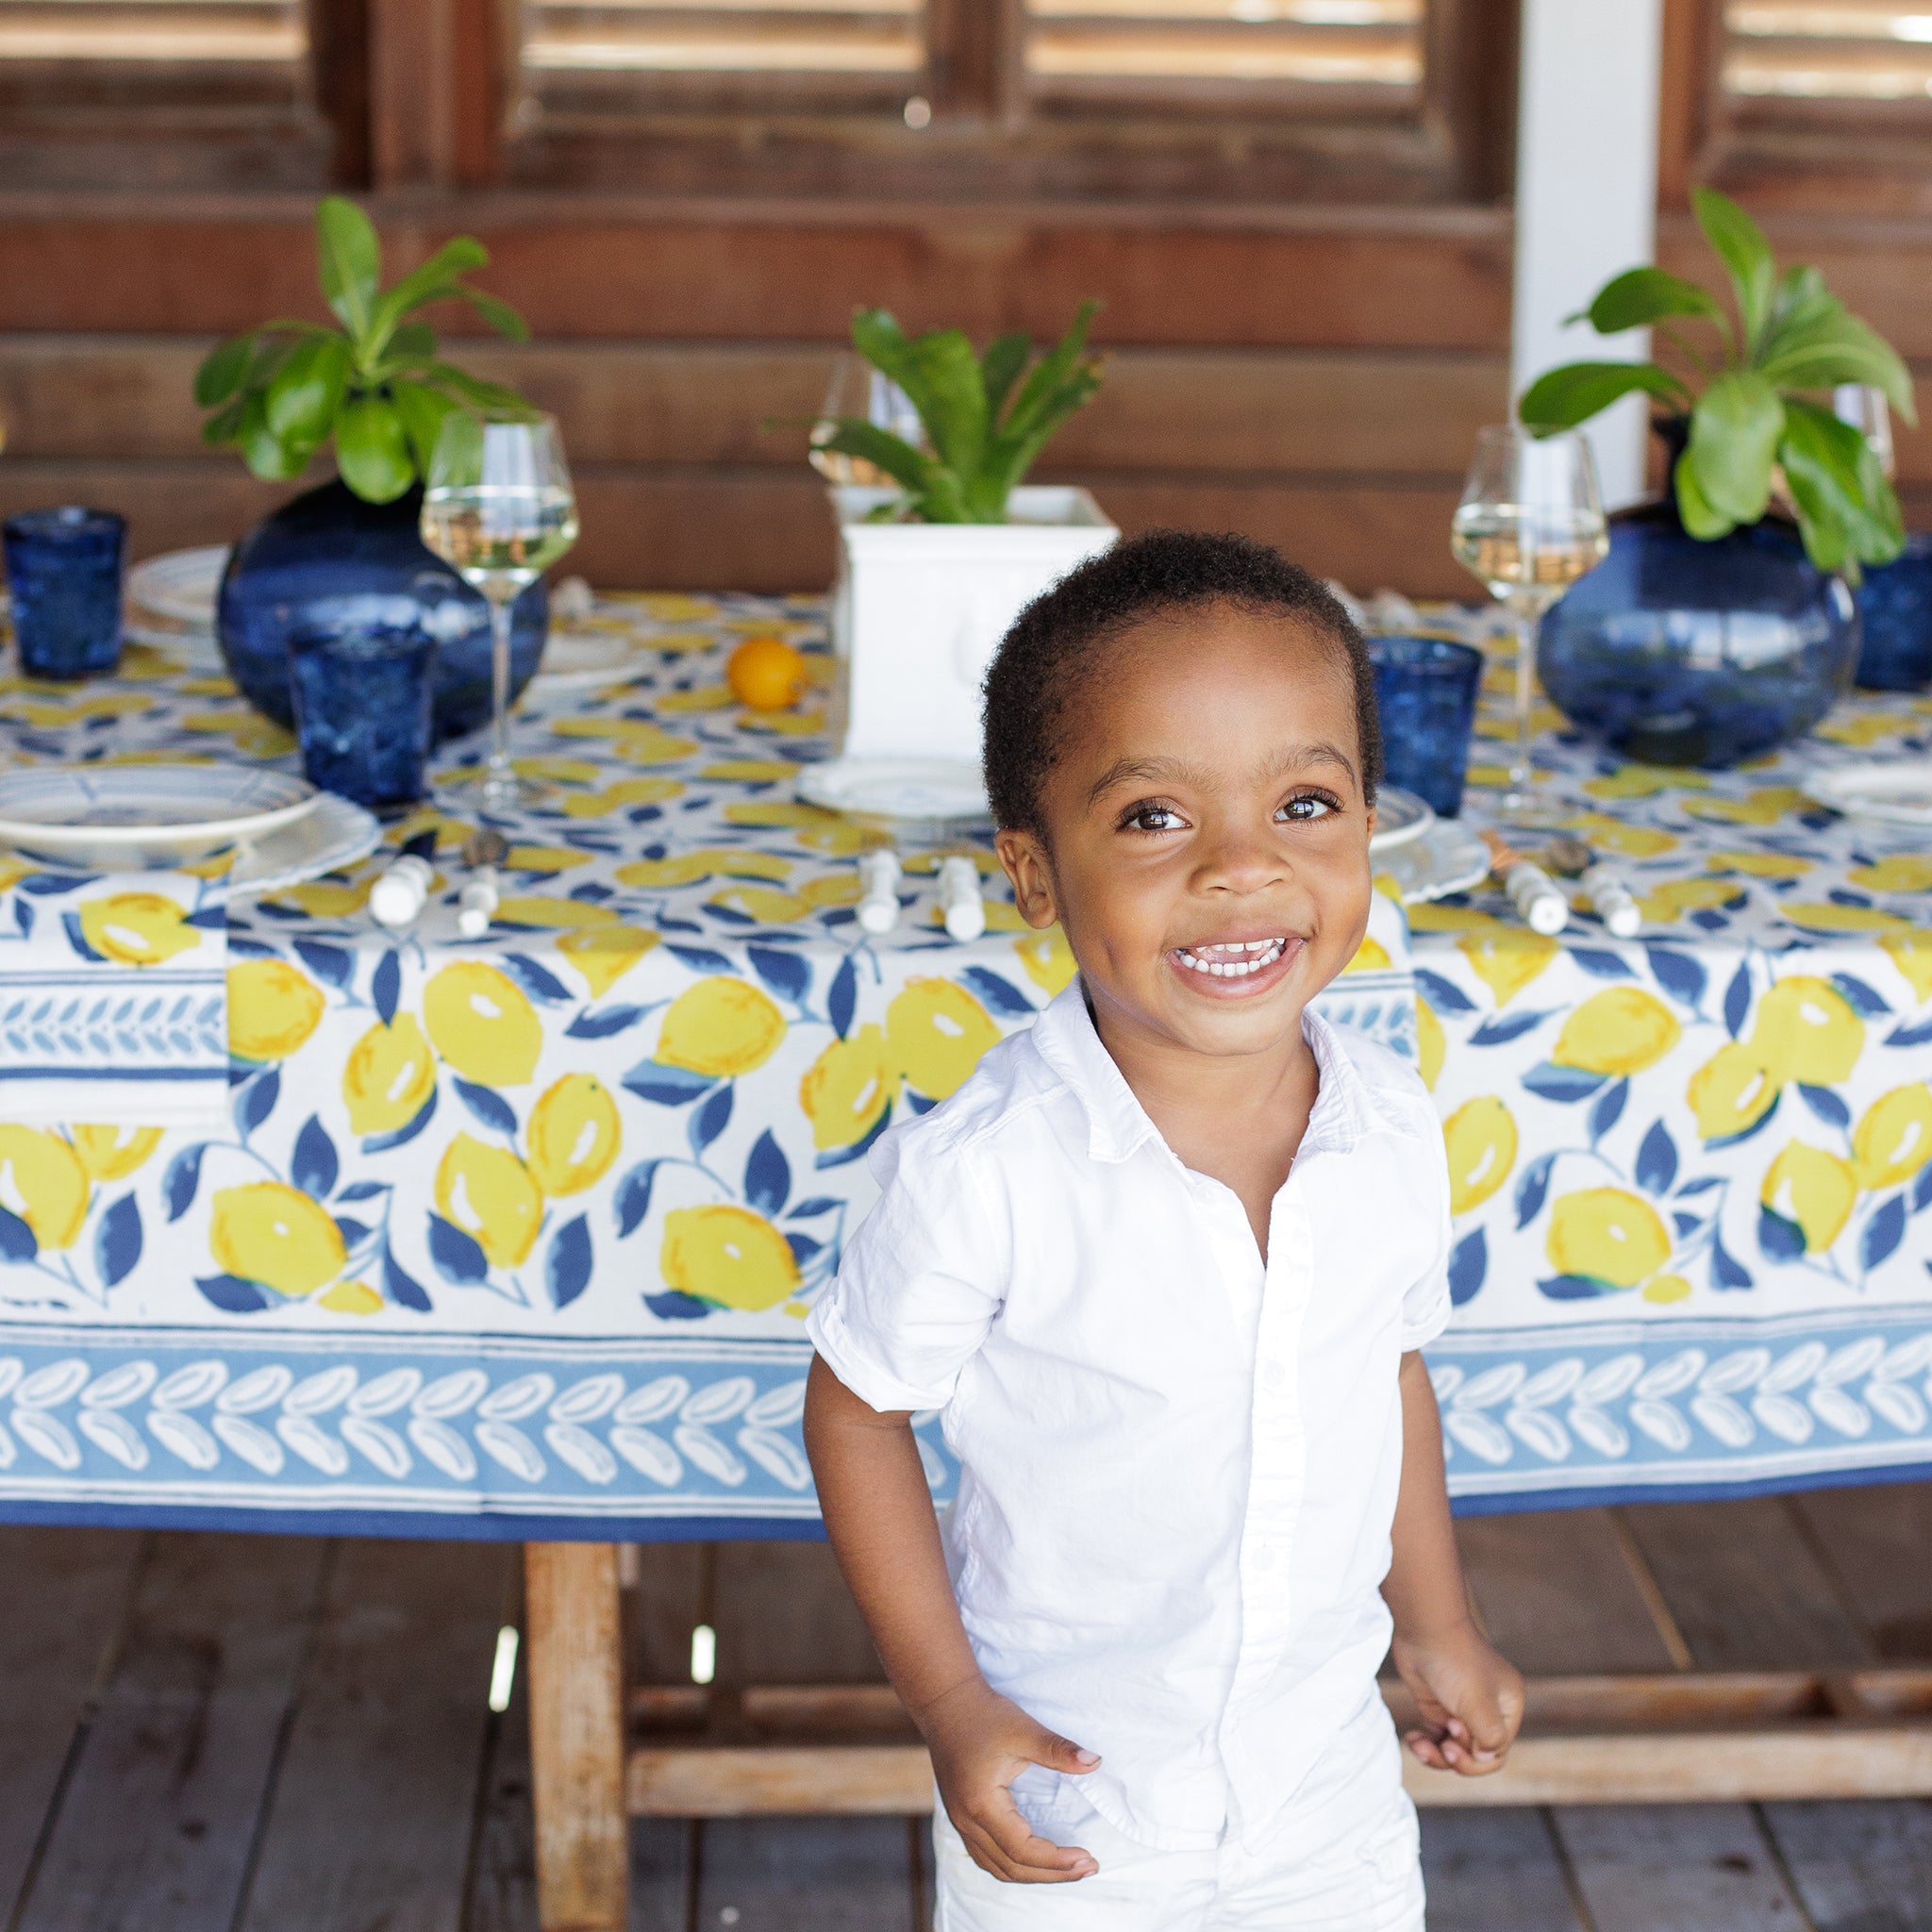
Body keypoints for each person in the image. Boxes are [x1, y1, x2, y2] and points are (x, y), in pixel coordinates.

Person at [803, 530, 1524, 1930]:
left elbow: (1387, 1366)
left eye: (1306, 801)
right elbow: (857, 1414)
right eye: (1154, 819)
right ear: (1034, 870)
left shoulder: (1389, 1126)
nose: (1244, 868)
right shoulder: (988, 1170)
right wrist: (952, 1708)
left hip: (1323, 1799)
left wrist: (1437, 1626)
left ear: (1373, 822)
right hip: (1077, 1808)